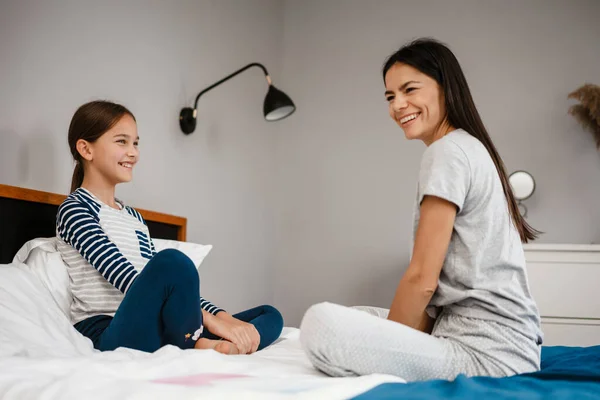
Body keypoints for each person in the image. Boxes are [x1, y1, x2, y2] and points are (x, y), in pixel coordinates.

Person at [299, 38, 543, 382]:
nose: (398, 105)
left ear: (445, 88)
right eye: (389, 96)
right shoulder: (468, 147)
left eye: (410, 89)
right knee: (354, 315)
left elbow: (422, 280)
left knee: (320, 325)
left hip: (488, 354)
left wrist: (388, 343)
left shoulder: (447, 152)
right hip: (497, 342)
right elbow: (436, 290)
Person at [56, 100, 283, 354]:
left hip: (158, 325)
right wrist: (214, 323)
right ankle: (198, 344)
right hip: (111, 331)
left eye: (136, 143)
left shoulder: (134, 218)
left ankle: (199, 342)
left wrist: (224, 317)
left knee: (270, 315)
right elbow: (127, 277)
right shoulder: (75, 209)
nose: (133, 152)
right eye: (122, 142)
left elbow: (174, 289)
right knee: (173, 262)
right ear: (86, 149)